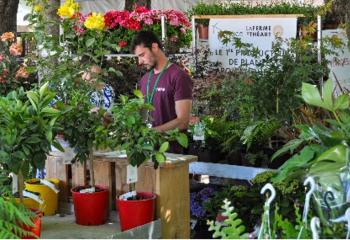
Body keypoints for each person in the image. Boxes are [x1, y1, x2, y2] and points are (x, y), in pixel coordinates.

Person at [131, 30, 193, 153]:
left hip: (171, 154)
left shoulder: (178, 76)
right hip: (146, 152)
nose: (140, 62)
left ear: (154, 47)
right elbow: (142, 117)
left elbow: (183, 121)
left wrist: (152, 132)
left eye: (142, 55)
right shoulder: (144, 80)